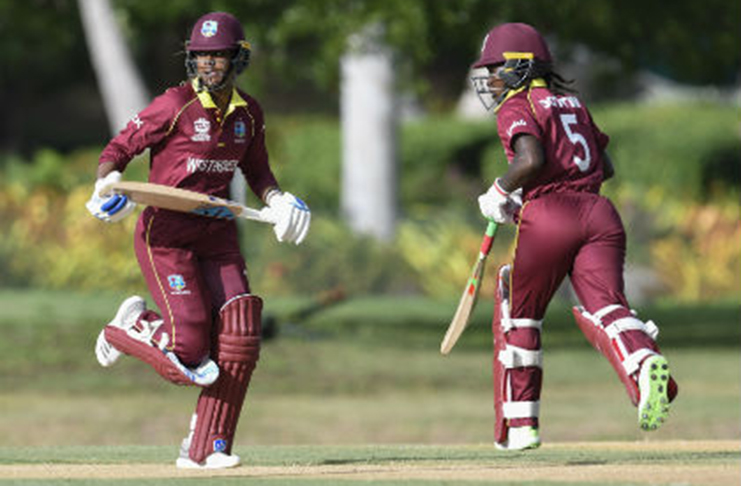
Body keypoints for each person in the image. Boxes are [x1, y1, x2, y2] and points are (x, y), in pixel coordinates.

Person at [85, 12, 310, 469]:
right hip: (166, 237)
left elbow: (259, 172)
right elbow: (118, 150)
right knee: (190, 354)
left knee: (241, 330)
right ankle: (128, 328)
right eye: (201, 56)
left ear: (237, 59)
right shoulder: (174, 105)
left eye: (218, 56)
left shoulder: (248, 113)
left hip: (218, 232)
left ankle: (207, 448)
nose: (208, 65)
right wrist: (106, 187)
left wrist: (281, 201)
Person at [470, 23, 678, 450]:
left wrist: (501, 191)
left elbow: (530, 159)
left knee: (518, 313)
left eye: (494, 70)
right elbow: (605, 164)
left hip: (550, 216)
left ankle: (520, 427)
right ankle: (643, 364)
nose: (489, 81)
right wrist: (531, 190)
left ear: (519, 69)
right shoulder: (573, 103)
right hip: (600, 213)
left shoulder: (518, 103)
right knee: (608, 307)